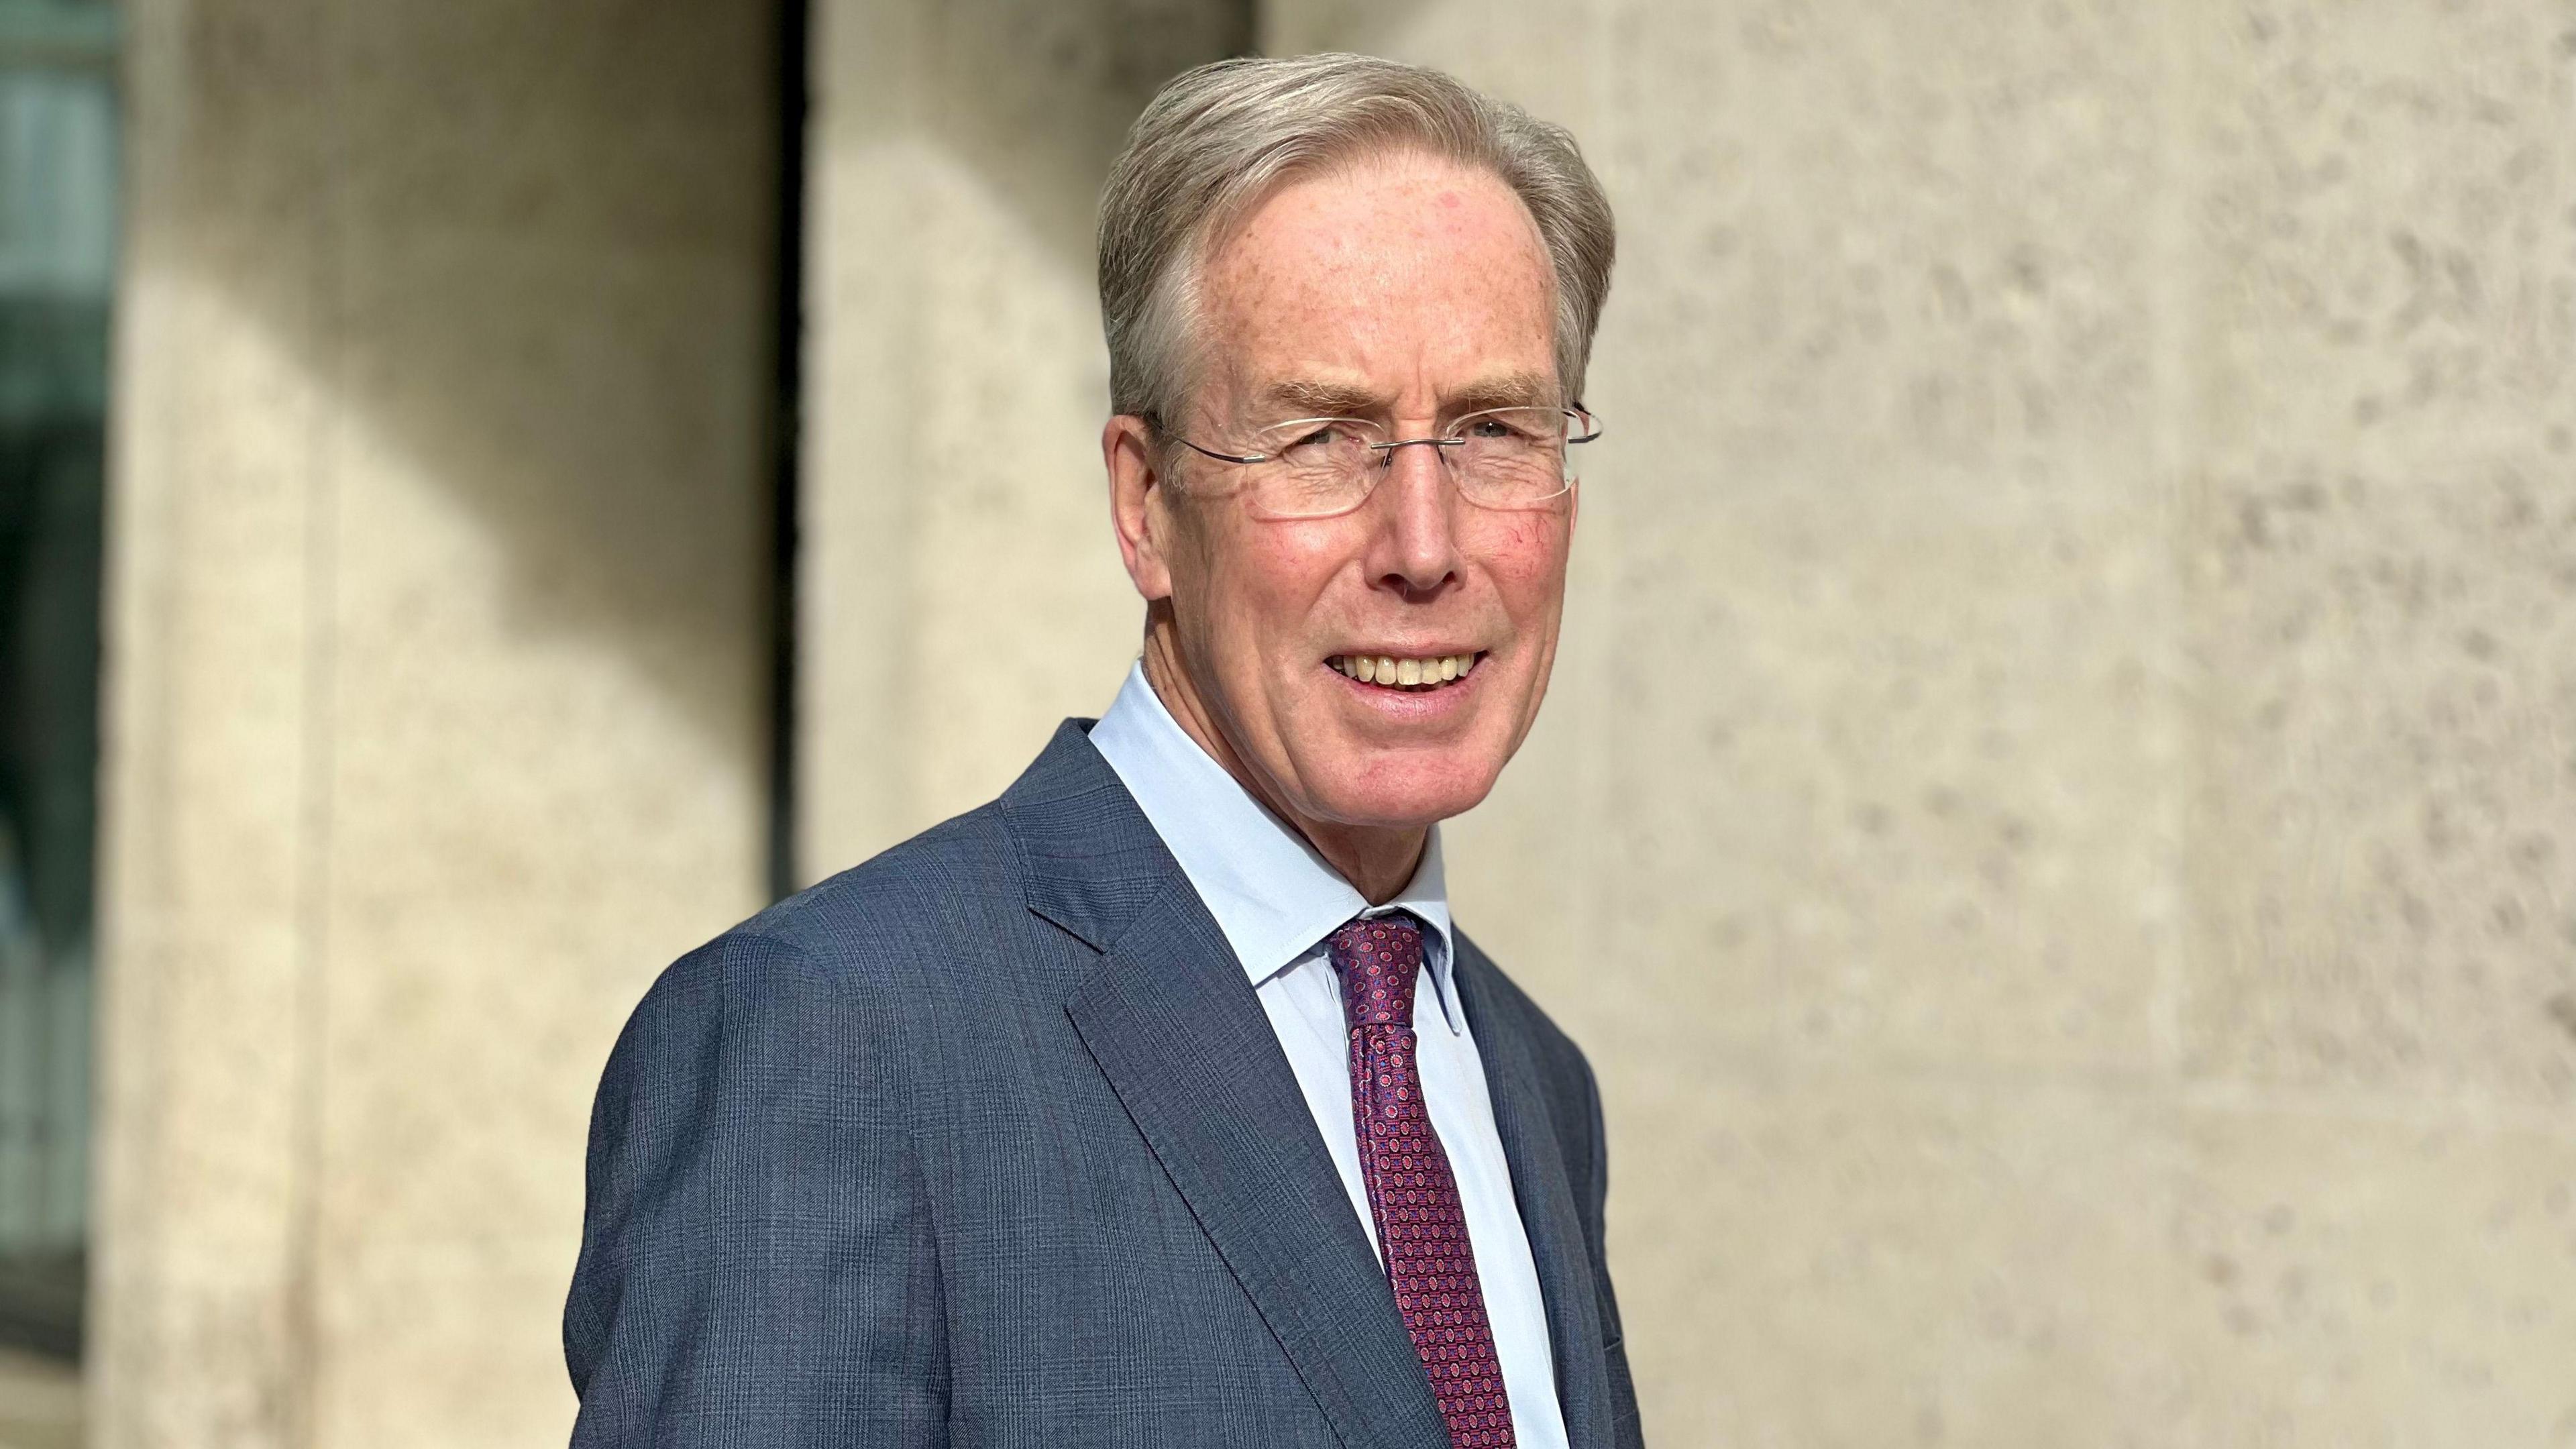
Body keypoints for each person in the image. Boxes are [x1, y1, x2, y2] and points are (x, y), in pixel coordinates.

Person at [564, 52, 1641, 1449]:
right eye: (1325, 438)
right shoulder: (833, 1040)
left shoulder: (1532, 1083)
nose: (1423, 548)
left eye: (1495, 431)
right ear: (1145, 504)